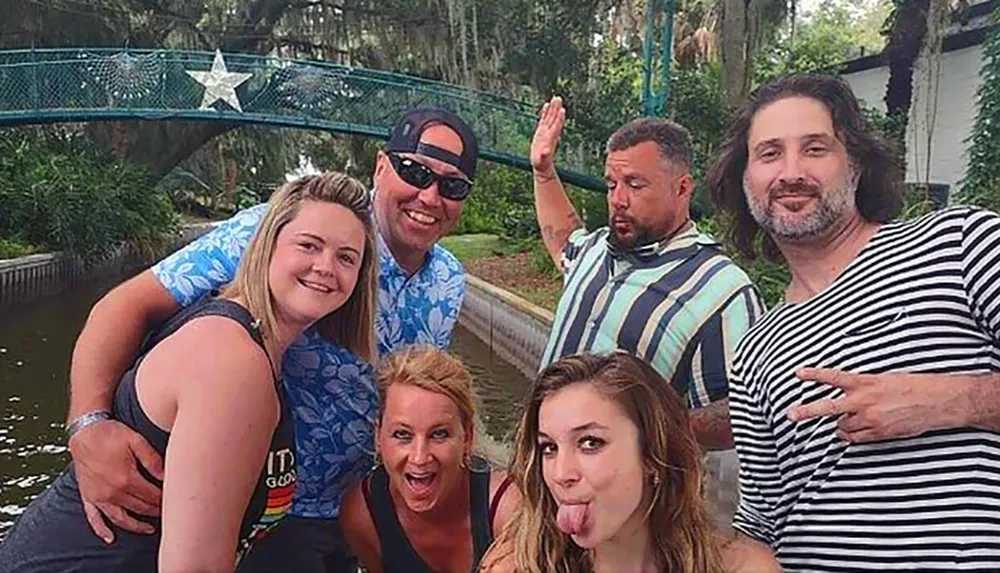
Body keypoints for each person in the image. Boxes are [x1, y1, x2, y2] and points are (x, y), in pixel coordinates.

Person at [63, 106, 479, 572]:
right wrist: (88, 424)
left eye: (453, 185)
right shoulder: (292, 230)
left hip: (350, 511)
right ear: (381, 167)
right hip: (258, 508)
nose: (429, 195)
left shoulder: (448, 280)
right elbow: (124, 306)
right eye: (414, 171)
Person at [0, 172, 377, 572]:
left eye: (346, 257)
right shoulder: (231, 363)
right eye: (309, 245)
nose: (325, 267)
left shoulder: (252, 347)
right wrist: (87, 423)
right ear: (267, 246)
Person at [707, 72, 1000, 572]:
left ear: (857, 164)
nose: (791, 171)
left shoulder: (959, 245)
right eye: (770, 153)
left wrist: (953, 400)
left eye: (816, 149)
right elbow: (761, 522)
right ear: (746, 178)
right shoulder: (754, 347)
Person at [529, 97, 764, 451]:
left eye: (635, 185)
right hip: (541, 467)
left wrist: (641, 429)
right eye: (612, 184)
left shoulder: (722, 291)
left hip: (627, 499)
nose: (618, 200)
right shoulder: (597, 250)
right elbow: (561, 237)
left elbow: (742, 413)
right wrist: (544, 171)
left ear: (682, 188)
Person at [479, 351, 780, 573]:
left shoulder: (746, 567)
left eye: (590, 443)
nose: (561, 474)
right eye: (549, 448)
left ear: (652, 455)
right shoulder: (514, 567)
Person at [339, 346, 520, 573]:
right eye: (402, 434)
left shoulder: (506, 508)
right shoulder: (362, 515)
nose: (419, 457)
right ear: (378, 437)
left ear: (467, 438)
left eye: (439, 434)